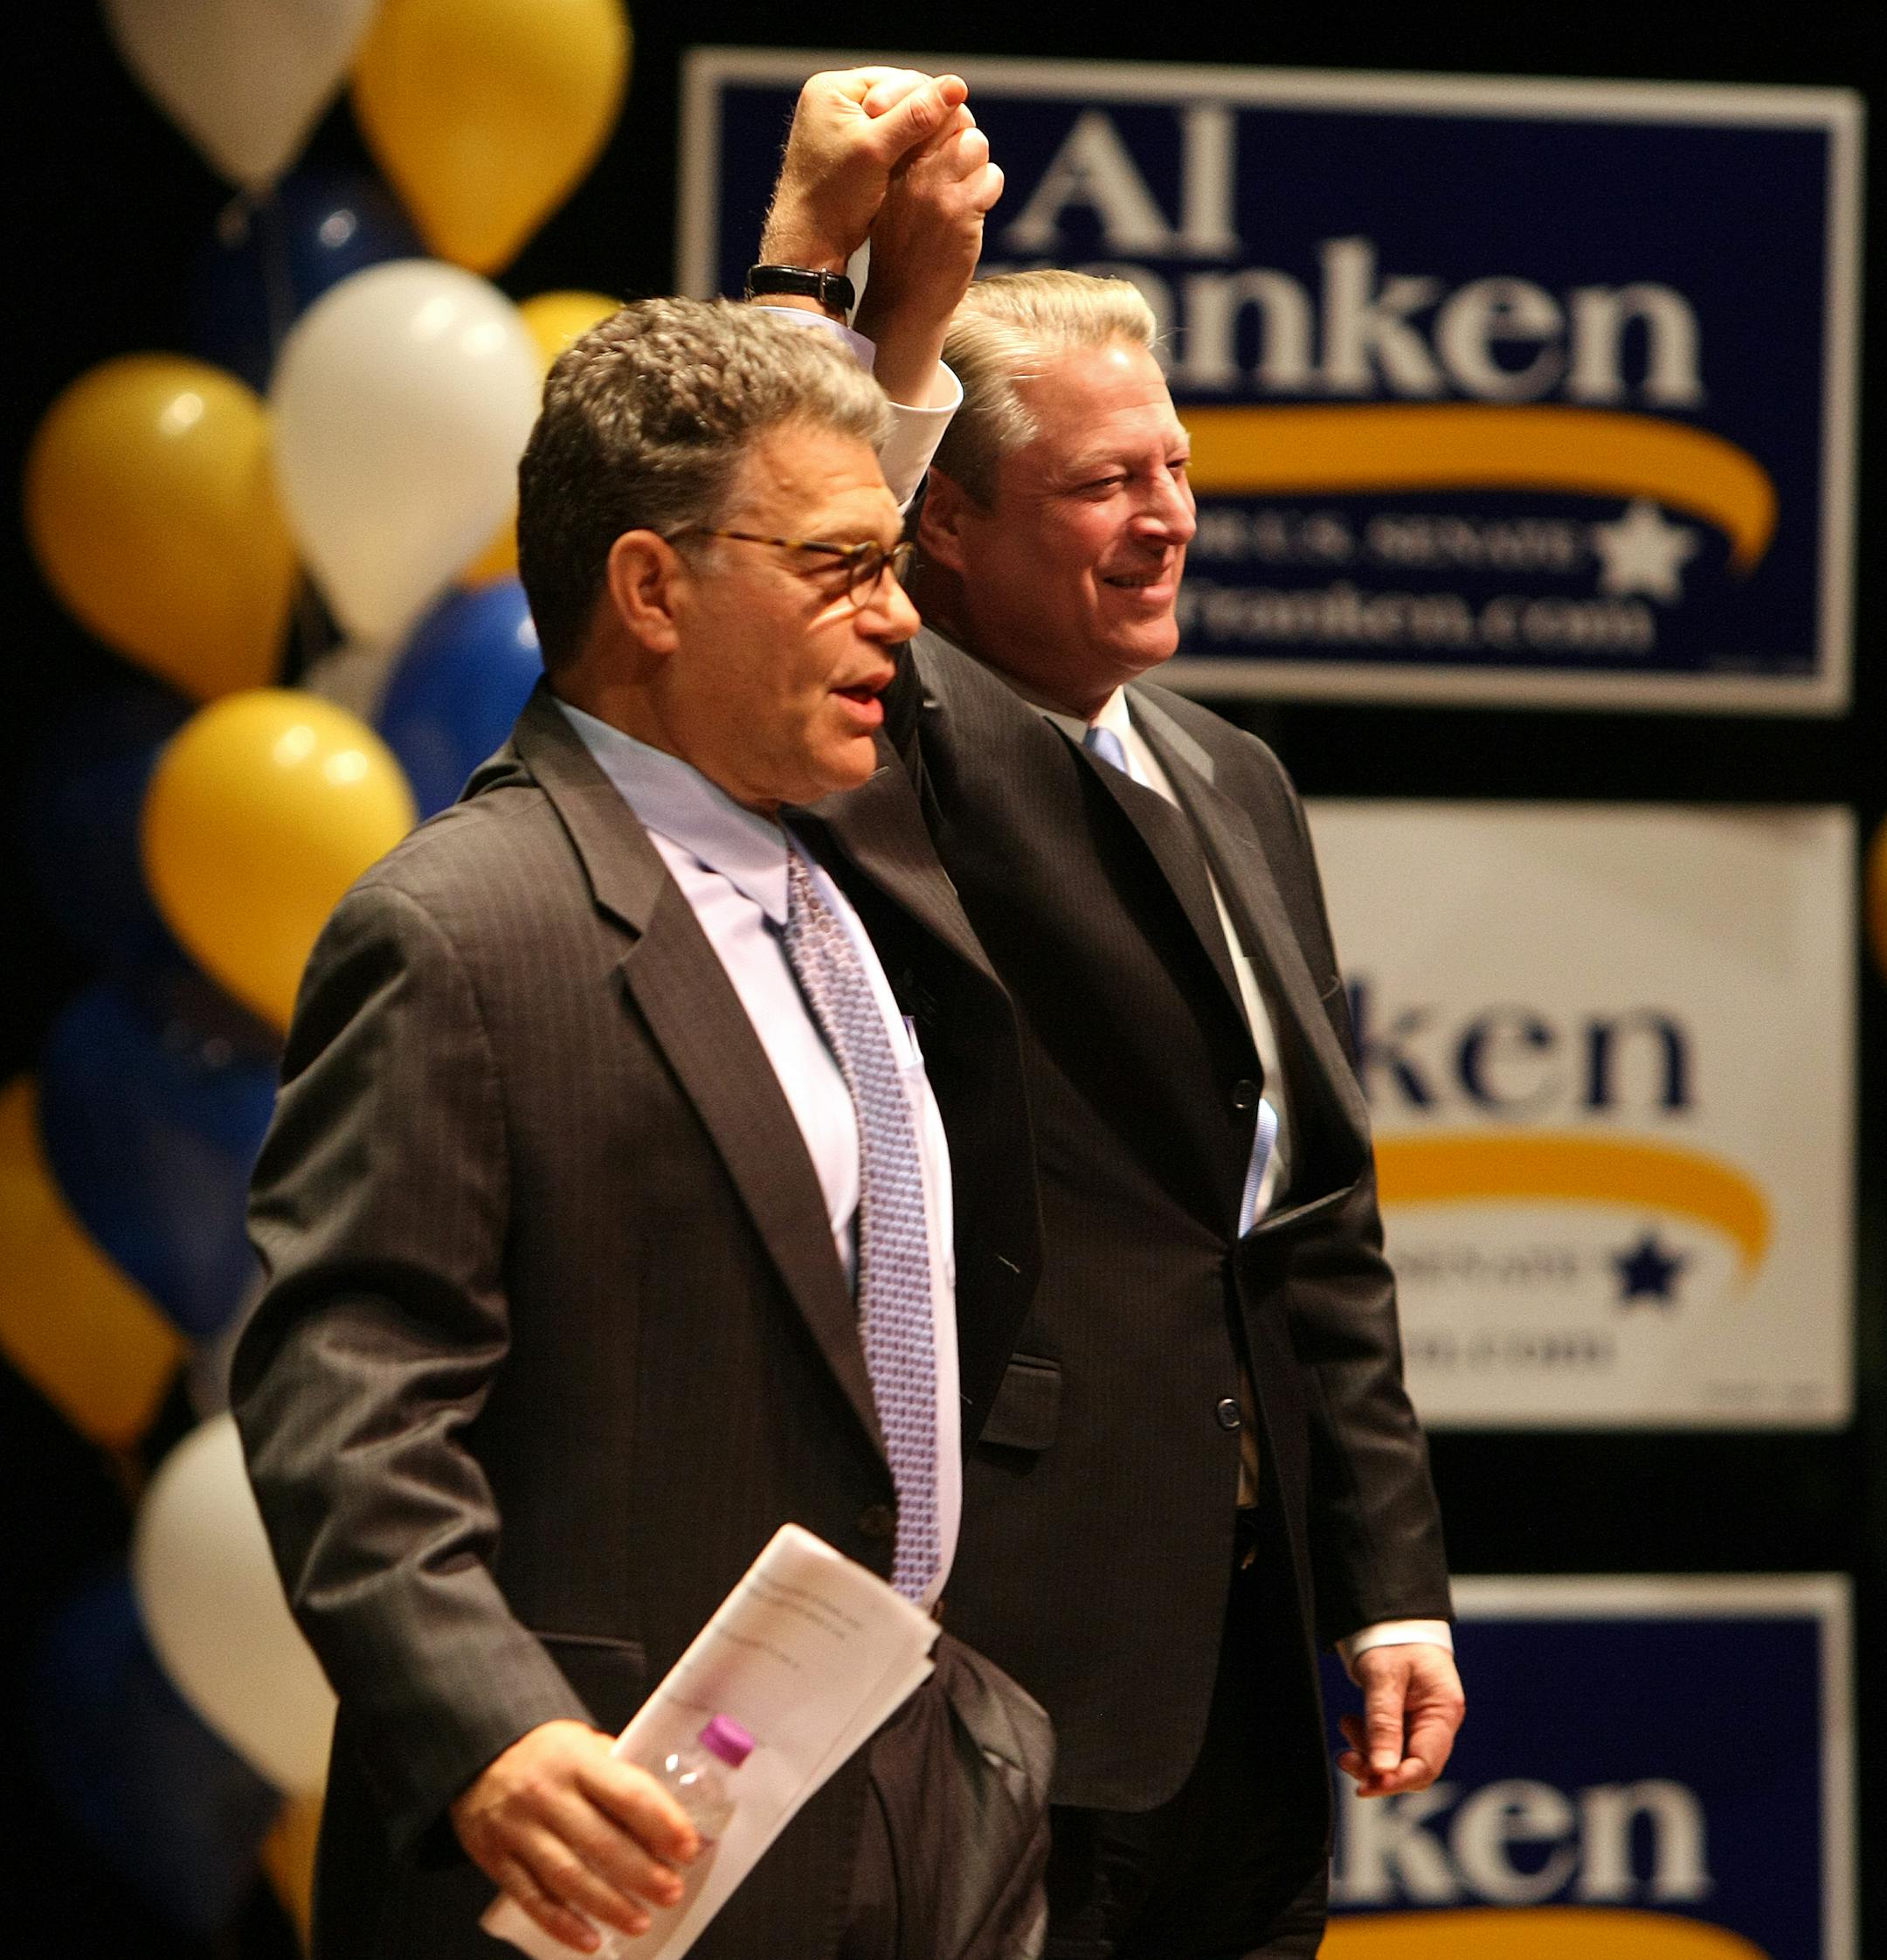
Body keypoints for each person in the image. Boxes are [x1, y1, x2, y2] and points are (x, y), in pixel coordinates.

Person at [230, 292, 1047, 1960]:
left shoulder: (855, 880)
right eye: (840, 569)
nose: (898, 621)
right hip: (620, 1834)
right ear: (652, 588)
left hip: (914, 1809)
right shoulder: (464, 927)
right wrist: (490, 1730)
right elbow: (347, 1392)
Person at [767, 127, 1466, 1957]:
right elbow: (792, 520)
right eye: (1099, 484)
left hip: (1248, 1648)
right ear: (949, 527)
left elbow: (1310, 1215)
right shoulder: (905, 752)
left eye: (1175, 467)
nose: (1166, 515)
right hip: (1016, 1640)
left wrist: (1390, 1589)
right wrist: (867, 304)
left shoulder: (1235, 772)